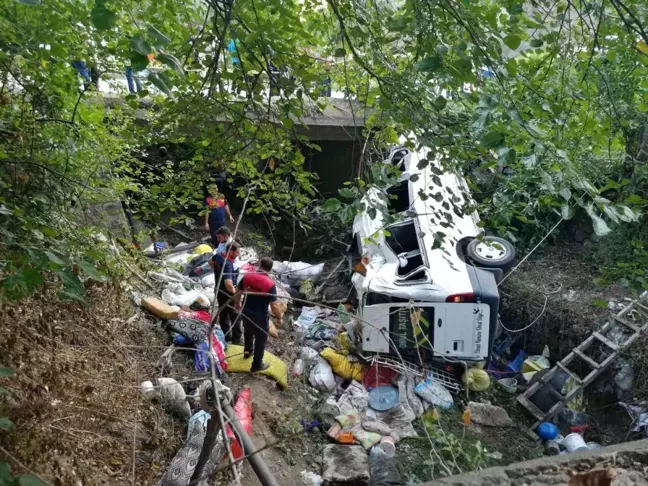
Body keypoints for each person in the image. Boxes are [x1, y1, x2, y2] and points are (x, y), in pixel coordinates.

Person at [238, 257, 284, 372]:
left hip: (246, 311)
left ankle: (247, 352)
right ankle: (256, 365)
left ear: (259, 264)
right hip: (260, 316)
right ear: (270, 269)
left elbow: (238, 292)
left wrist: (236, 304)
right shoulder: (270, 284)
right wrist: (279, 318)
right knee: (261, 340)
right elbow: (274, 306)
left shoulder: (247, 276)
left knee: (248, 331)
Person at [210, 242, 241, 344]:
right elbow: (228, 283)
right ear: (231, 251)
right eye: (237, 252)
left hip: (219, 290)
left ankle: (226, 336)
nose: (238, 254)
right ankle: (236, 340)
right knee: (235, 315)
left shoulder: (218, 256)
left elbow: (210, 262)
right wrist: (235, 292)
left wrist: (217, 271)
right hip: (228, 293)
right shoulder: (228, 264)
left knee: (223, 313)